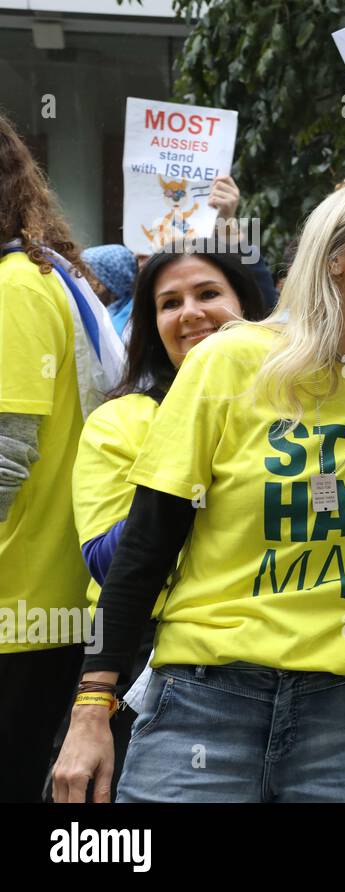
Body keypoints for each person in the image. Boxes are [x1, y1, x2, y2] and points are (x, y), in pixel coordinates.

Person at [51, 137, 345, 799]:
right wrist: (93, 709)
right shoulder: (232, 362)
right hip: (205, 703)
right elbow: (146, 543)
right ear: (338, 253)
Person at [70, 245, 266, 797]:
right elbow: (108, 562)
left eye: (208, 295)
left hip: (257, 661)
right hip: (138, 657)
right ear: (153, 327)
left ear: (246, 308)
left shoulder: (290, 414)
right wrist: (182, 443)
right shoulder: (120, 421)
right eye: (169, 303)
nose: (190, 313)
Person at [0, 109, 124, 802]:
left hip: (19, 608)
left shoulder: (15, 287)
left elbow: (4, 459)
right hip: (42, 609)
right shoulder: (38, 275)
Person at [81, 244, 137, 336]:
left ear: (114, 279)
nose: (88, 283)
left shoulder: (132, 319)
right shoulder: (101, 310)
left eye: (92, 276)